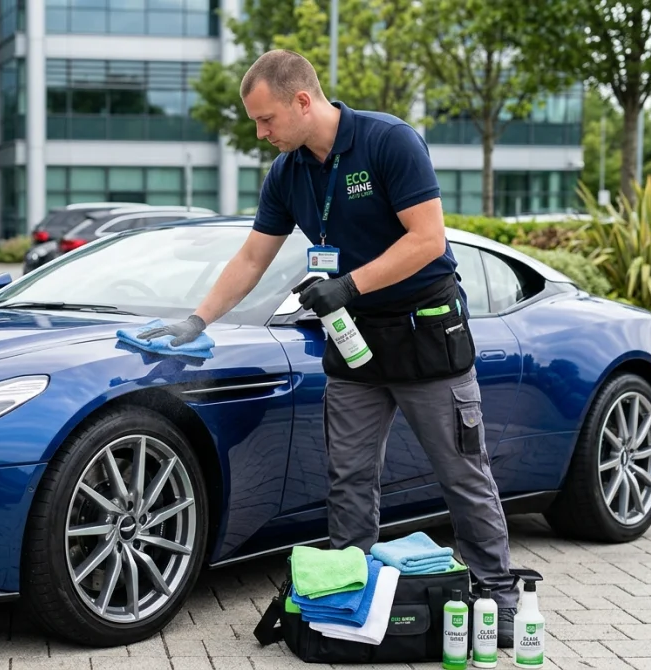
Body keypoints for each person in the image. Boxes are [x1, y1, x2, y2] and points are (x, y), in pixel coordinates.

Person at [137, 49, 519, 647]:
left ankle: (498, 596)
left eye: (265, 120)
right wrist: (197, 318)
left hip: (425, 334)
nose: (260, 133)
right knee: (348, 479)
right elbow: (251, 257)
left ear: (302, 100)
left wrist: (346, 285)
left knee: (462, 473)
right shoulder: (287, 173)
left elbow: (427, 240)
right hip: (355, 340)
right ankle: (349, 597)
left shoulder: (389, 142)